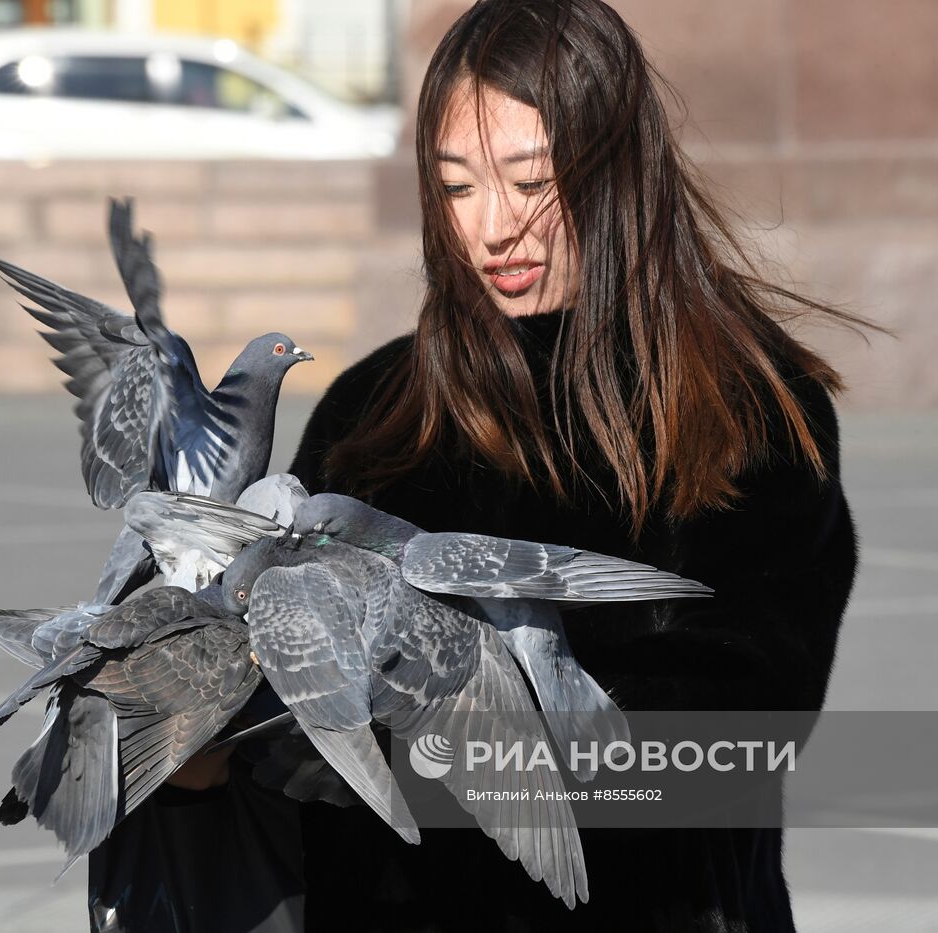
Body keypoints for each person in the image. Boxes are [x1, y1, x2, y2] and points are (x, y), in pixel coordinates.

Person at [284, 1, 864, 930]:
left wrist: (454, 743)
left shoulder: (747, 410)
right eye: (457, 187)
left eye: (531, 178)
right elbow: (291, 734)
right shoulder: (373, 414)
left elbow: (737, 731)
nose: (493, 228)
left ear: (617, 171)